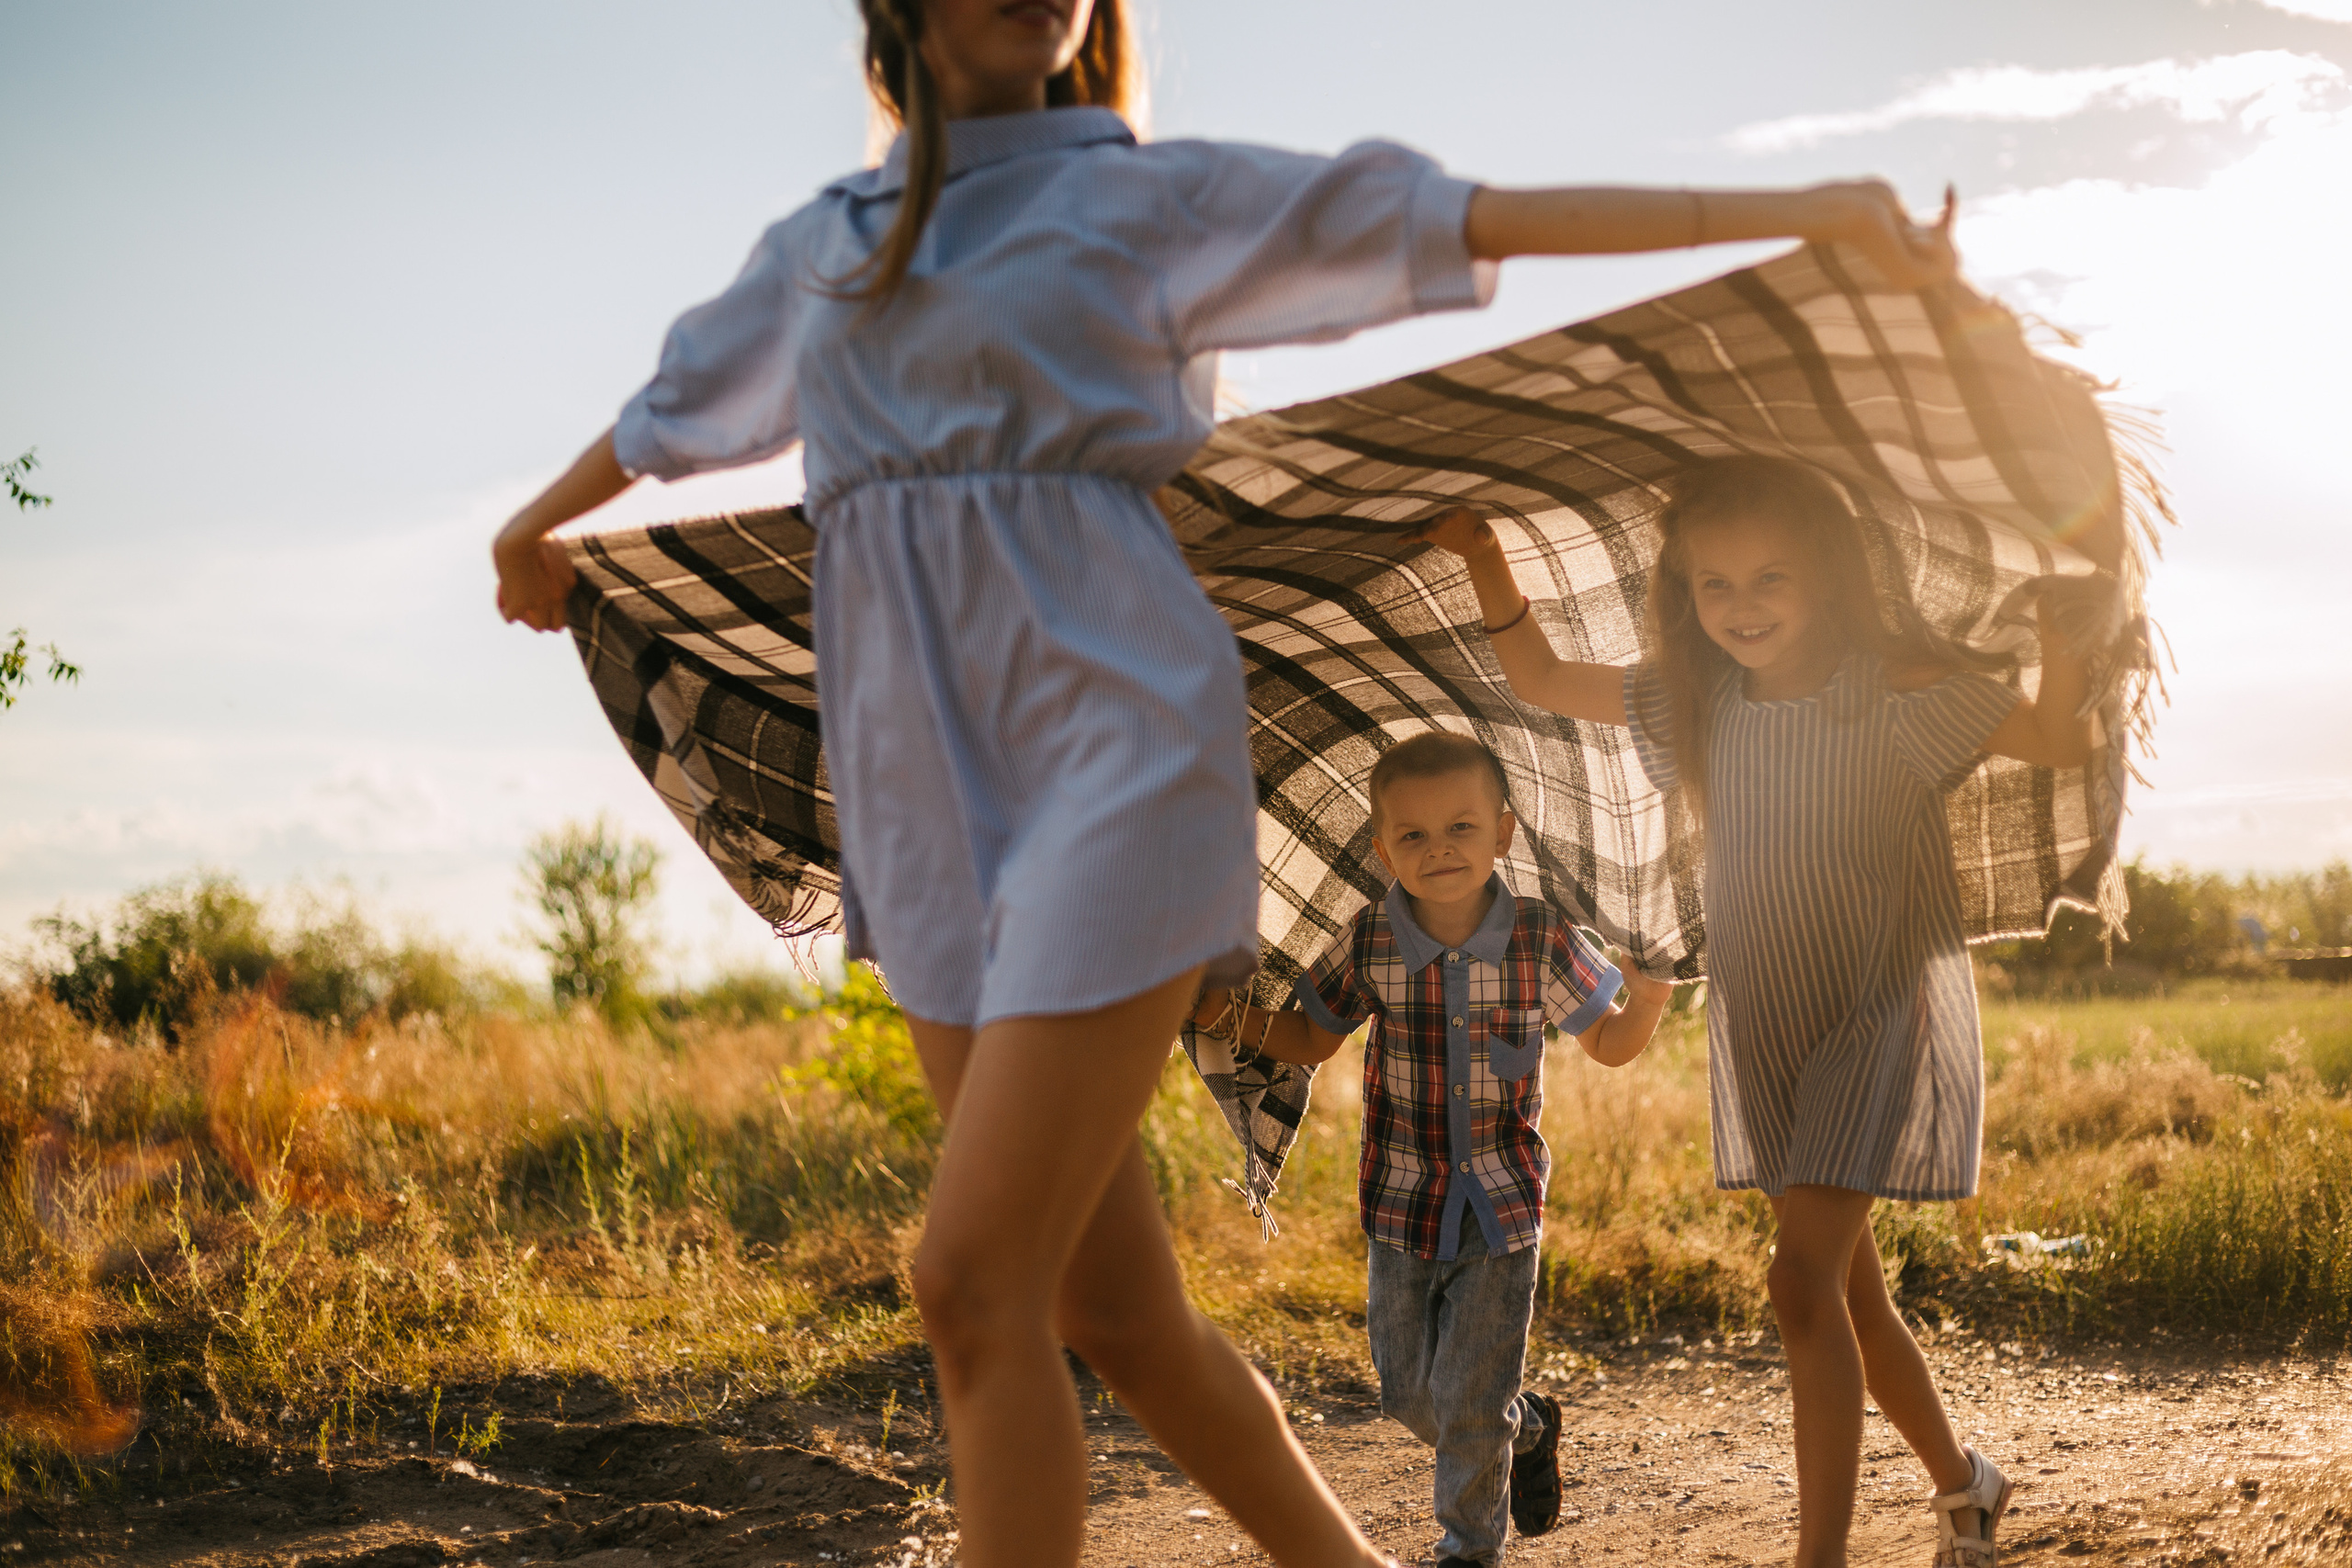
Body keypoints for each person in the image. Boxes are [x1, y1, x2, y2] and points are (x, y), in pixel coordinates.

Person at [489, 2, 1959, 1562]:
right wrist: (533, 523)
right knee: (1107, 1307)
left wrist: (1811, 207)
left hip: (1116, 776)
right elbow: (669, 411)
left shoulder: (1141, 199)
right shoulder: (827, 250)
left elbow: (1458, 216)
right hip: (920, 821)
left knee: (970, 1285)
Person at [1414, 456, 2094, 1568]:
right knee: (1849, 1302)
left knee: (1795, 1283)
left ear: (1826, 577)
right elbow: (1536, 677)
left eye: (1771, 579)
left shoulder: (1891, 692)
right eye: (1713, 585)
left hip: (1879, 1010)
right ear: (1683, 592)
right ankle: (1965, 1485)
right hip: (1766, 1026)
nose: (1740, 609)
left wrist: (2066, 632)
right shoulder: (1694, 700)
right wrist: (1486, 558)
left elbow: (2059, 738)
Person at [1191, 730, 1668, 1567]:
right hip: (1399, 1202)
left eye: (1461, 827)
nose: (1439, 849)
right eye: (1412, 835)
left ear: (1504, 833)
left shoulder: (1541, 937)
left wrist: (1657, 980)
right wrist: (1230, 1020)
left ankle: (1469, 1549)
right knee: (1412, 1394)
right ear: (1382, 849)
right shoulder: (1372, 939)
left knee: (1468, 1400)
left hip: (1503, 1206)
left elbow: (1614, 1042)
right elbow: (1310, 1037)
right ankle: (1528, 1426)